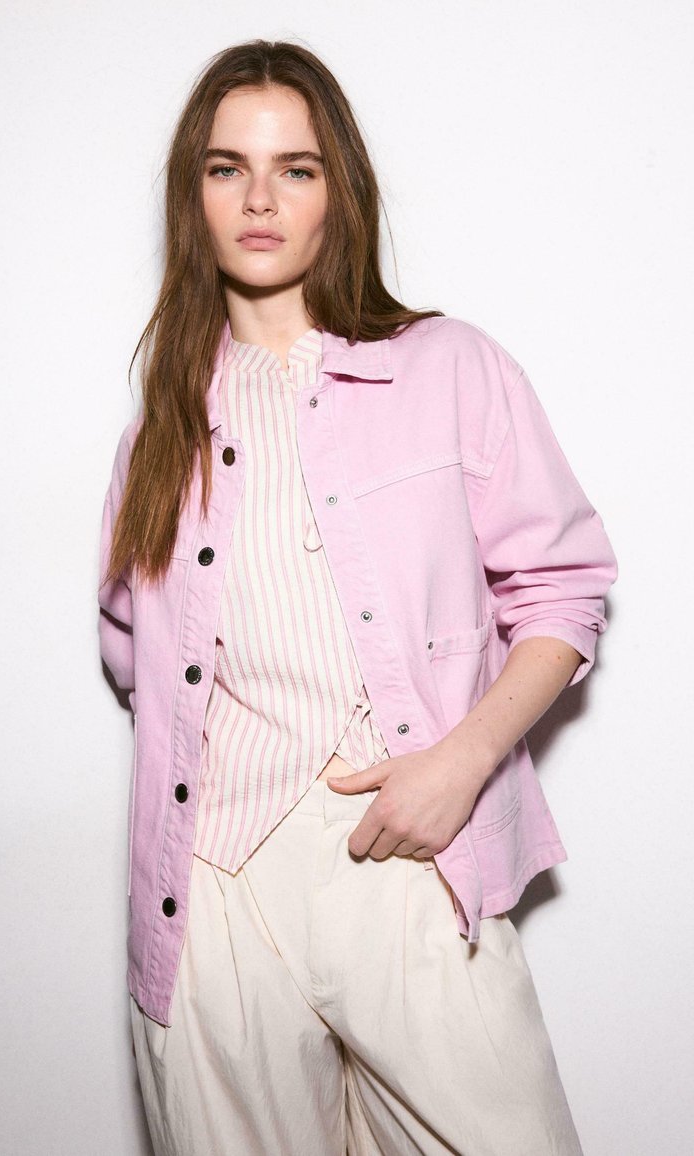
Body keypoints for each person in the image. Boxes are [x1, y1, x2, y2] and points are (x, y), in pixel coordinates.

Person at [98, 38, 617, 1156]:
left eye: (296, 168)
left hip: (408, 855)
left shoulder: (448, 366)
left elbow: (565, 590)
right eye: (227, 168)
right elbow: (134, 655)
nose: (260, 199)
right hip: (214, 892)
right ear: (193, 195)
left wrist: (459, 763)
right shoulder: (157, 434)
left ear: (340, 190)